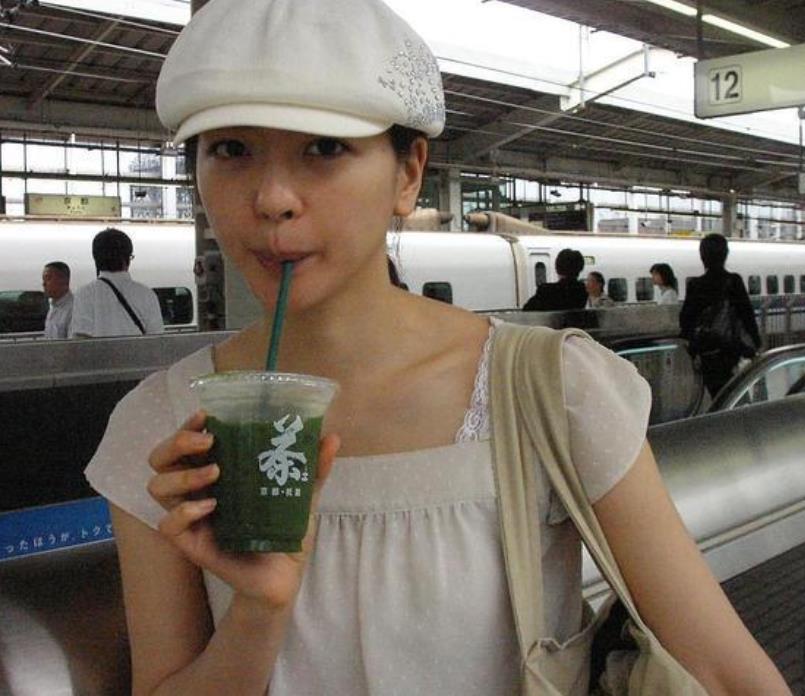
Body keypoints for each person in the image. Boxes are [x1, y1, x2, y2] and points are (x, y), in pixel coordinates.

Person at [84, 2, 790, 694]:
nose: (272, 199)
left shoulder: (547, 388)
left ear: (408, 173)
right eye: (230, 150)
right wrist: (259, 611)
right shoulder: (162, 428)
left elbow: (724, 673)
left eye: (324, 148)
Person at [680, 234, 761, 399]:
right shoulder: (733, 281)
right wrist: (756, 344)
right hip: (732, 352)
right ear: (725, 254)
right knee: (734, 395)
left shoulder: (695, 285)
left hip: (707, 354)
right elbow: (747, 315)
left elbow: (685, 320)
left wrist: (693, 349)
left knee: (717, 396)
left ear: (702, 256)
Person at [70, 228, 165, 338]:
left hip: (99, 350)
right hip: (137, 350)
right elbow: (157, 339)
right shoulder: (147, 295)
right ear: (127, 259)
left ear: (96, 259)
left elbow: (81, 338)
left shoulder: (84, 294)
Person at [522, 248, 587, 311]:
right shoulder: (582, 290)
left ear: (557, 268)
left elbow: (527, 310)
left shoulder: (546, 290)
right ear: (580, 268)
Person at [41, 261, 74, 338]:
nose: (44, 284)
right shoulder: (53, 309)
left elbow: (73, 343)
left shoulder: (74, 310)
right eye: (43, 279)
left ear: (64, 280)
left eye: (48, 278)